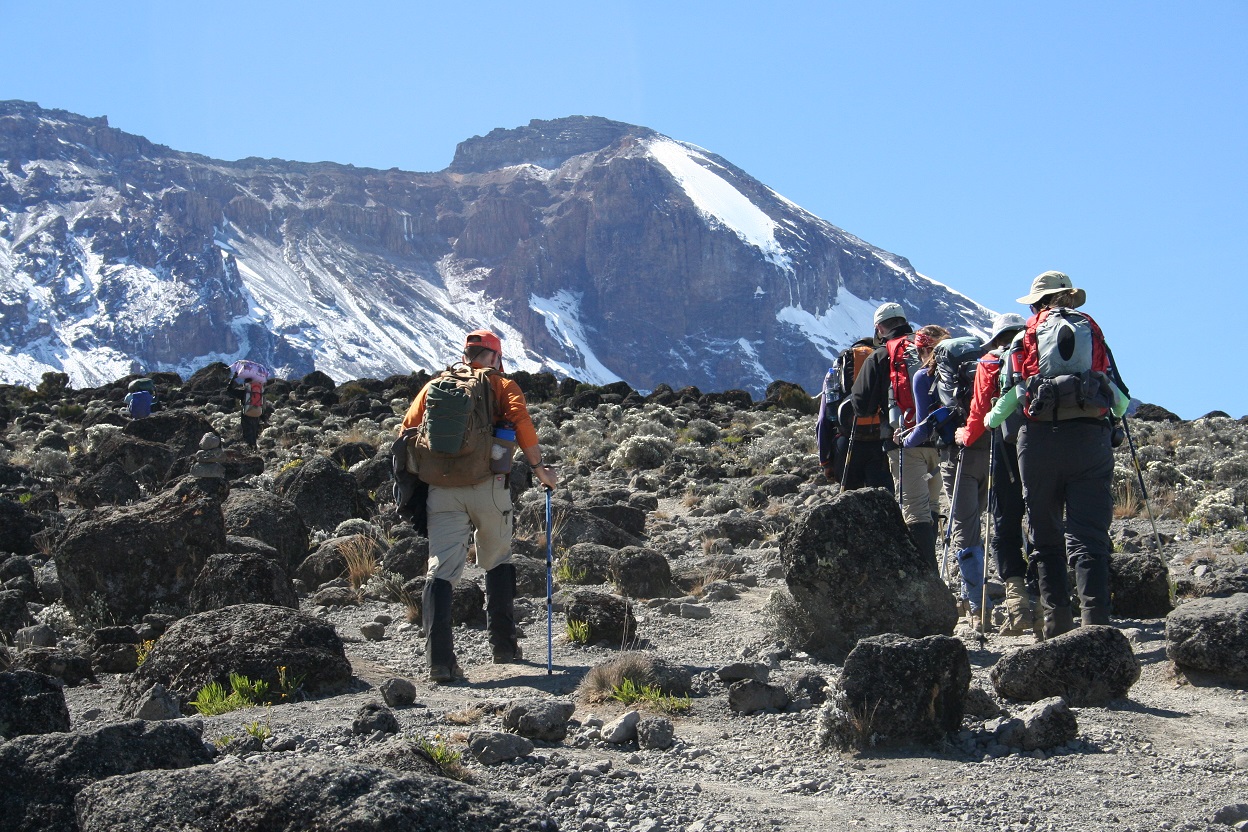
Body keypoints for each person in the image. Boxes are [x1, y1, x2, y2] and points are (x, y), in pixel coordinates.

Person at [401, 329, 558, 683]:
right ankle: (503, 646)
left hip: (441, 490)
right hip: (489, 486)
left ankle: (440, 662)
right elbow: (521, 424)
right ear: (495, 357)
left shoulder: (436, 386)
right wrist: (538, 468)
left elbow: (407, 430)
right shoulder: (502, 386)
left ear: (466, 353)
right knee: (497, 559)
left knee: (440, 569)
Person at [986, 272, 1129, 637]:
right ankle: (1097, 627)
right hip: (1090, 442)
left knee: (1045, 537)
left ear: (1038, 303)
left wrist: (989, 419)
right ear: (1069, 299)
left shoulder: (1023, 337)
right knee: (1088, 536)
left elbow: (1011, 396)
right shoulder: (1092, 331)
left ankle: (1057, 628)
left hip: (1038, 445)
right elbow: (1121, 400)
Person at [955, 312, 1036, 637]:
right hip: (1039, 443)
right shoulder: (1035, 351)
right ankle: (1044, 600)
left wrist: (967, 436)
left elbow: (979, 409)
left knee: (1004, 524)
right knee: (1039, 519)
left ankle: (1015, 610)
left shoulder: (990, 362)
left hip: (1001, 447)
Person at [851, 303, 940, 566]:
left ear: (879, 327)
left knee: (914, 510)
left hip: (904, 441)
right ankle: (937, 572)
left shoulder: (881, 355)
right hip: (941, 439)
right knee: (933, 506)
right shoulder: (929, 346)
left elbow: (861, 404)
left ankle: (926, 577)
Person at [818, 338, 893, 490]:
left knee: (851, 500)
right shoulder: (884, 366)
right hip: (880, 444)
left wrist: (825, 461)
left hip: (846, 443)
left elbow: (823, 420)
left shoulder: (836, 373)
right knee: (884, 497)